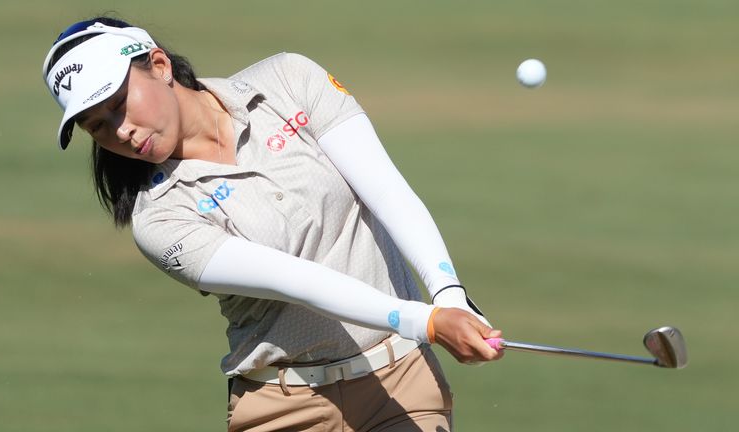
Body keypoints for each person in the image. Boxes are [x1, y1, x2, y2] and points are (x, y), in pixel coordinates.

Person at [42, 15, 504, 432]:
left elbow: (386, 191)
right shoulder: (158, 218)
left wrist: (449, 295)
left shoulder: (289, 80)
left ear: (160, 65)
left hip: (402, 385)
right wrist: (428, 320)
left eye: (119, 102)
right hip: (283, 408)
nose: (119, 130)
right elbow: (293, 279)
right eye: (97, 125)